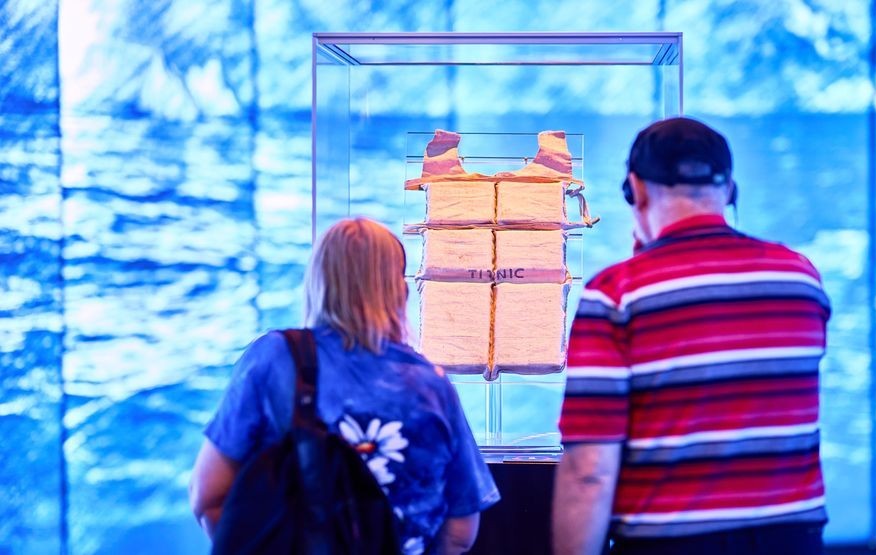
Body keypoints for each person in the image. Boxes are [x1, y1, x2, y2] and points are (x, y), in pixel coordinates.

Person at [552, 117, 830, 555]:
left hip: (668, 543)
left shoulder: (617, 295)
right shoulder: (799, 278)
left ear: (636, 190)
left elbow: (590, 471)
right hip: (792, 539)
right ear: (730, 189)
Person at [189, 217, 500, 555]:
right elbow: (460, 529)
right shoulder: (432, 384)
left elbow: (208, 498)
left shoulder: (274, 359)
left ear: (316, 282)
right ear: (399, 290)